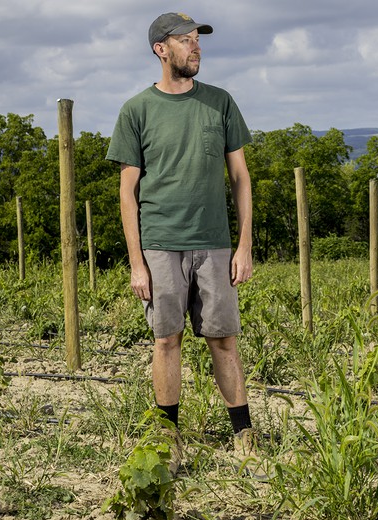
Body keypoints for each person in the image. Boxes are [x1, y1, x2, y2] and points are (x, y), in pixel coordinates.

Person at [106, 12, 256, 474]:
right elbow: (127, 192)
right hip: (160, 244)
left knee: (224, 339)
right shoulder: (137, 110)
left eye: (197, 41)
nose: (196, 48)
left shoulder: (220, 103)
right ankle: (167, 435)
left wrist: (244, 243)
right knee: (166, 339)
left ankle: (245, 434)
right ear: (160, 49)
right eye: (185, 41)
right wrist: (136, 261)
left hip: (214, 242)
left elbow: (240, 178)